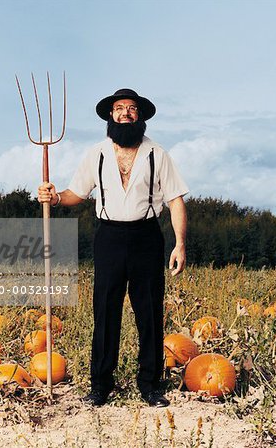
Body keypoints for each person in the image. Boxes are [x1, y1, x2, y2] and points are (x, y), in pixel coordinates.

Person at [38, 88, 188, 407]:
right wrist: (54, 197)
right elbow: (76, 194)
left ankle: (150, 385)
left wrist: (180, 244)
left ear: (141, 116)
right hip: (109, 237)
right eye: (119, 108)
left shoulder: (157, 154)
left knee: (149, 312)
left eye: (132, 109)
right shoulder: (97, 153)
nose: (125, 113)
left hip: (147, 236)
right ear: (111, 115)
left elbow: (175, 200)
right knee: (105, 312)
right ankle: (100, 385)